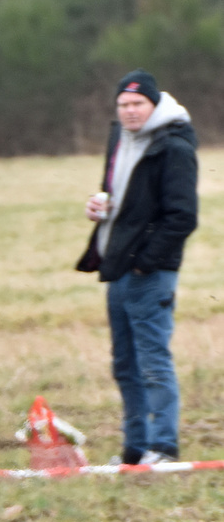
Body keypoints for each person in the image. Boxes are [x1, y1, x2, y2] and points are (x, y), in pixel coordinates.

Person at [77, 70, 198, 466]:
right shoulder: (119, 139)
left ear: (154, 105)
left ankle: (163, 446)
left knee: (153, 363)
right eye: (123, 105)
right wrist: (100, 205)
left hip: (150, 273)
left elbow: (182, 217)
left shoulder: (174, 147)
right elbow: (121, 195)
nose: (129, 111)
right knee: (125, 364)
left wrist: (147, 262)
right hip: (118, 269)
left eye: (137, 104)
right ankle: (135, 448)